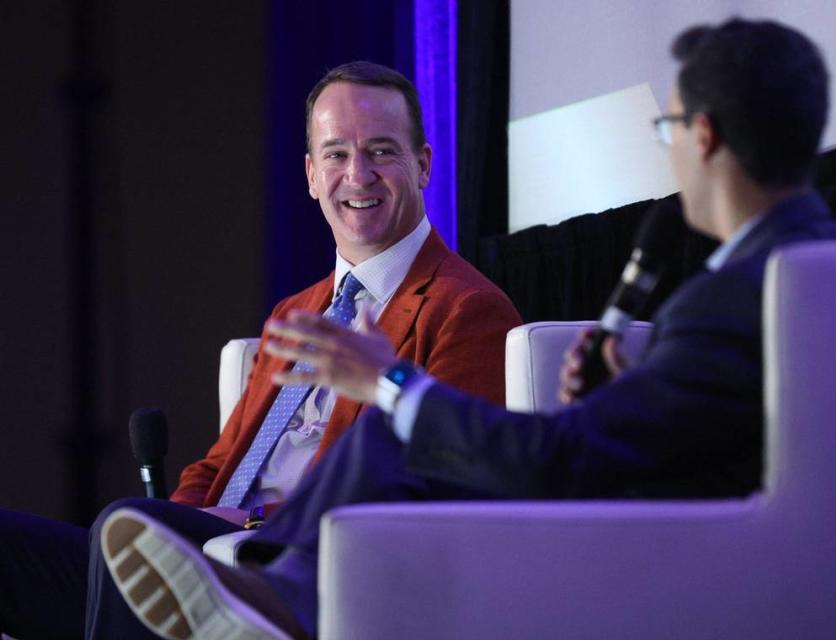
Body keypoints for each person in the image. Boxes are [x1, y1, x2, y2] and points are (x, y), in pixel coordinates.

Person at [101, 18, 836, 640]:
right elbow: (679, 437)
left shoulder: (741, 296)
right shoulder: (809, 267)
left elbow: (550, 464)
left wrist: (388, 381)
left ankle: (276, 597)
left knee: (393, 428)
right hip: (693, 546)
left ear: (707, 136)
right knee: (112, 535)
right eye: (336, 155)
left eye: (669, 126)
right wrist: (623, 392)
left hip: (674, 574)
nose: (357, 175)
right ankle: (274, 594)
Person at [0, 61, 520, 640]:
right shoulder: (295, 313)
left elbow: (439, 492)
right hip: (208, 558)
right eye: (335, 155)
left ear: (422, 165)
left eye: (380, 151)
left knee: (128, 525)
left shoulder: (465, 308)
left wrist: (247, 521)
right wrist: (175, 528)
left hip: (294, 568)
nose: (358, 175)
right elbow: (220, 467)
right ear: (310, 175)